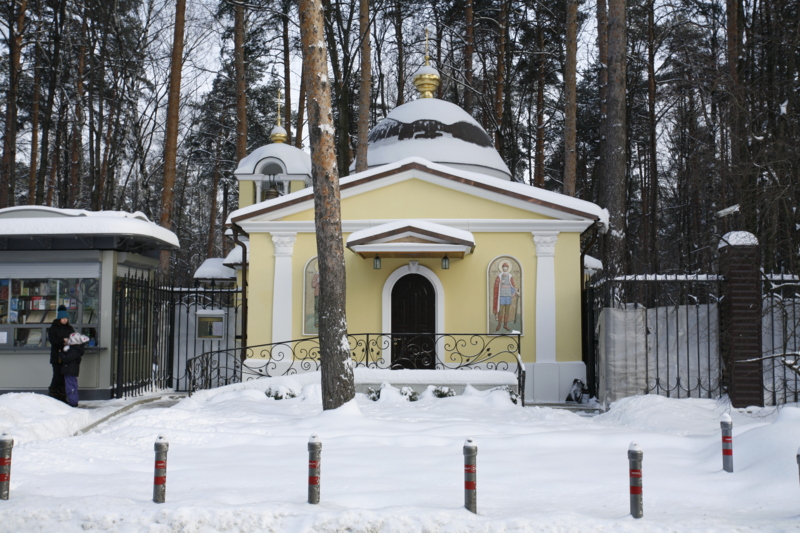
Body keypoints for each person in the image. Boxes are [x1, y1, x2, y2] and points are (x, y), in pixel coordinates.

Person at [47, 305, 73, 403]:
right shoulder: (53, 328)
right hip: (56, 356)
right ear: (59, 318)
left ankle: (62, 397)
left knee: (64, 376)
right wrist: (63, 340)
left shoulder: (69, 328)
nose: (65, 320)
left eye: (66, 318)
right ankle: (53, 395)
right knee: (57, 376)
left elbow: (73, 337)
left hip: (67, 356)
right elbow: (53, 341)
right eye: (63, 318)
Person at [62, 332, 90, 407]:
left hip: (70, 370)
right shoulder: (77, 349)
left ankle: (73, 402)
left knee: (70, 386)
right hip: (71, 370)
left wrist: (61, 354)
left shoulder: (75, 350)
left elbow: (67, 358)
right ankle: (73, 400)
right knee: (72, 385)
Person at [492, 262, 518, 331]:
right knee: (500, 311)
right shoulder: (499, 276)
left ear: (508, 268)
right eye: (503, 267)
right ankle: (499, 324)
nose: (505, 268)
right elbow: (496, 285)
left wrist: (514, 292)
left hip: (508, 295)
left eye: (506, 267)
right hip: (501, 296)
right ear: (502, 268)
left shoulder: (510, 276)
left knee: (507, 311)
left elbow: (512, 285)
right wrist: (500, 282)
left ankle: (505, 325)